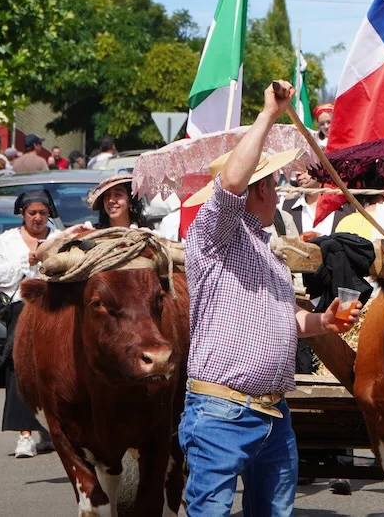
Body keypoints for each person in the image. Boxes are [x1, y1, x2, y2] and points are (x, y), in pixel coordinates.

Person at [180, 81, 360, 516]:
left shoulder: (266, 245)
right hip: (222, 410)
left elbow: (284, 318)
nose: (278, 194)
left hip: (272, 414)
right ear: (258, 190)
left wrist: (322, 322)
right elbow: (231, 184)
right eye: (274, 184)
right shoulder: (214, 232)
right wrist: (268, 115)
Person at [0, 190, 60, 458]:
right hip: (20, 309)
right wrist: (26, 261)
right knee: (19, 368)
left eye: (42, 213)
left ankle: (47, 430)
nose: (38, 218)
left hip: (54, 309)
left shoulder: (58, 238)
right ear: (23, 214)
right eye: (33, 213)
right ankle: (24, 434)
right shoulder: (7, 241)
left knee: (52, 370)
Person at [86, 174, 151, 229]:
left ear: (130, 201)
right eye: (107, 195)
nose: (111, 200)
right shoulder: (93, 235)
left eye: (118, 194)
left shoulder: (145, 234)